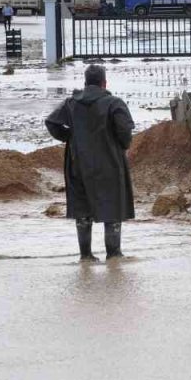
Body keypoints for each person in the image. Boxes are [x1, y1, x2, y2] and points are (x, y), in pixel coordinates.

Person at [45, 64, 136, 262]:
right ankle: (113, 255)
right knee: (112, 208)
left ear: (85, 83)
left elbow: (51, 122)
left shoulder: (71, 103)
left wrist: (69, 136)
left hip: (78, 164)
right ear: (104, 83)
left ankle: (85, 256)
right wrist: (121, 145)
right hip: (109, 164)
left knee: (82, 209)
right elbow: (125, 134)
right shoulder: (114, 103)